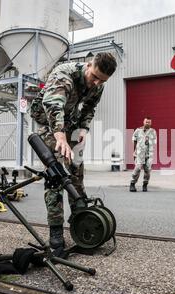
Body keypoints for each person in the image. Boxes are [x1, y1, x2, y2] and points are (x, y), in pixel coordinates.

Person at [30, 53, 117, 249]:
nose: (96, 82)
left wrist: (84, 129)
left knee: (76, 169)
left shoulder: (98, 84)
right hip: (48, 120)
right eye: (94, 76)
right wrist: (60, 136)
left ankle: (81, 216)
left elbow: (90, 107)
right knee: (56, 174)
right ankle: (56, 229)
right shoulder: (63, 74)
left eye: (102, 80)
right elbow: (53, 105)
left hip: (70, 121)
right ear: (88, 65)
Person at [129, 117, 157, 192]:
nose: (147, 123)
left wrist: (148, 141)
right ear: (143, 122)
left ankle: (145, 184)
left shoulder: (153, 131)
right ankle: (132, 184)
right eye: (146, 122)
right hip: (139, 153)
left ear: (151, 123)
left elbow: (154, 142)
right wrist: (134, 152)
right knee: (137, 168)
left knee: (147, 170)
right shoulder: (138, 131)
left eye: (149, 122)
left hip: (149, 154)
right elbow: (134, 141)